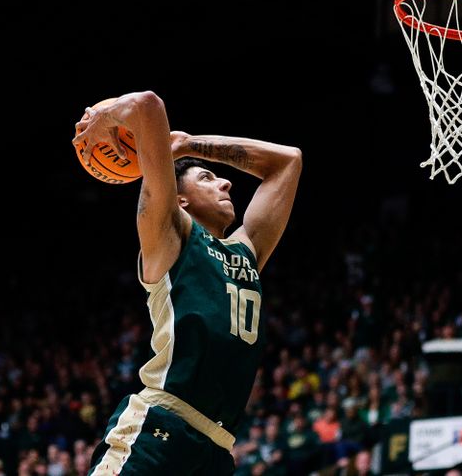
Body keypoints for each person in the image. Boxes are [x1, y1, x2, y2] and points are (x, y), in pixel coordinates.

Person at [73, 91, 303, 475]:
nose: (226, 183)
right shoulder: (169, 237)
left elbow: (288, 161)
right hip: (159, 429)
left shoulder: (246, 252)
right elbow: (148, 105)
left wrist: (190, 145)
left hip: (215, 450)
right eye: (207, 178)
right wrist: (103, 115)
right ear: (179, 200)